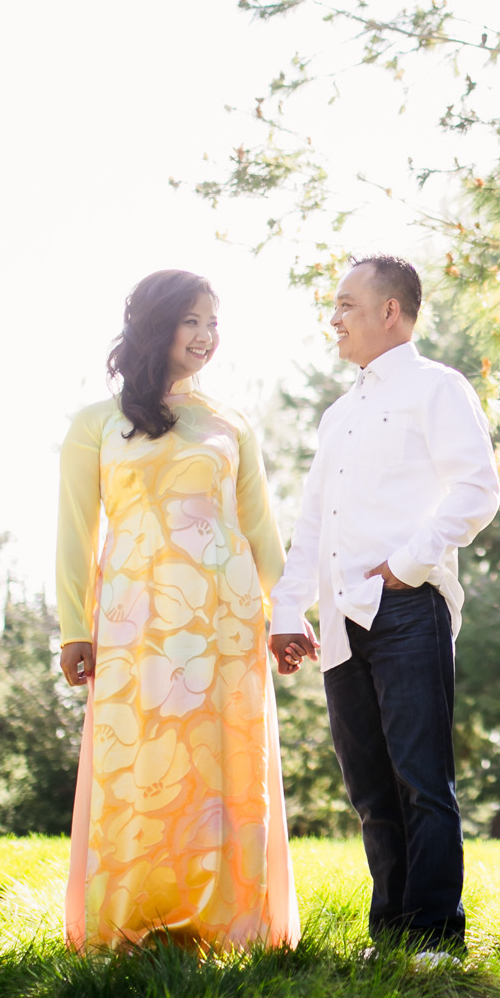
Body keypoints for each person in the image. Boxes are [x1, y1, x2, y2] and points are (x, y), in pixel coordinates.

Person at [55, 269, 298, 950]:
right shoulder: (94, 424)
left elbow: (260, 528)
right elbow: (76, 531)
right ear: (155, 324)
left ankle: (228, 920)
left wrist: (285, 613)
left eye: (213, 322)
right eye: (192, 320)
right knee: (141, 761)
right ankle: (136, 913)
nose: (206, 335)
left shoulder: (229, 422)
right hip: (134, 623)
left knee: (218, 763)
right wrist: (75, 625)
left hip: (226, 621)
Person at [268, 254, 500, 961]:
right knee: (370, 790)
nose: (333, 319)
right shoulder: (339, 413)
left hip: (407, 610)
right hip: (341, 623)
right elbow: (313, 521)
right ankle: (393, 935)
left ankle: (435, 936)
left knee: (422, 780)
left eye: (345, 305)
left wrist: (406, 565)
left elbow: (476, 488)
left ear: (389, 311)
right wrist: (287, 609)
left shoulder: (438, 388)